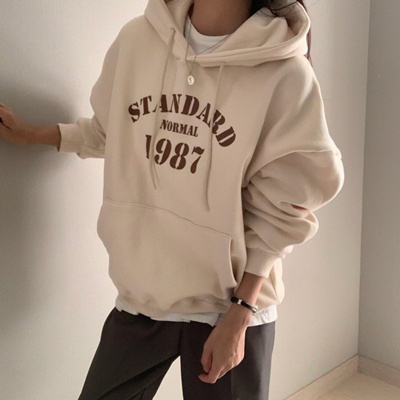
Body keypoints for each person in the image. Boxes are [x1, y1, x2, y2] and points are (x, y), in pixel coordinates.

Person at [0, 0, 344, 399]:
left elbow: (283, 208)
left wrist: (241, 313)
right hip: (145, 294)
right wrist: (31, 134)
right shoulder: (137, 40)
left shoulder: (285, 73)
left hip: (231, 305)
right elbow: (110, 131)